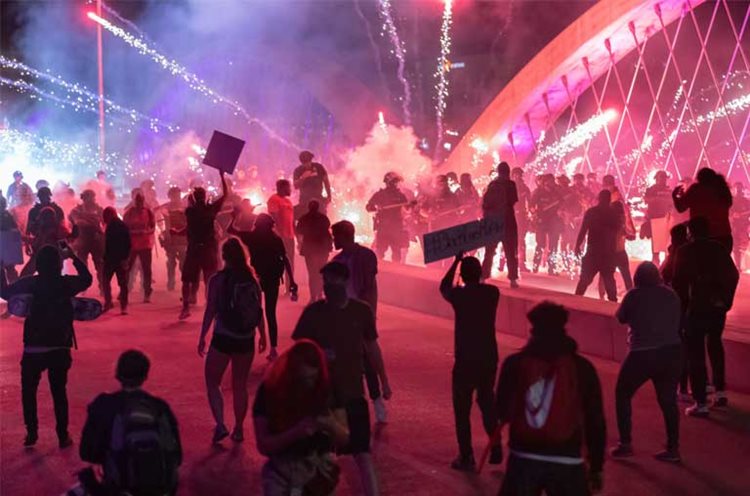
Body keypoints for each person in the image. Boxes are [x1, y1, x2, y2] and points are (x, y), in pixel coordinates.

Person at [293, 262, 391, 496]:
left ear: (345, 282)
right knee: (319, 459)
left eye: (333, 281)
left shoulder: (361, 311)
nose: (328, 286)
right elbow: (299, 353)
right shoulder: (313, 314)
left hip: (353, 397)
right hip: (323, 400)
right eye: (326, 282)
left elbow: (372, 348)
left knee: (362, 455)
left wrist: (384, 381)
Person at [495, 302, 605, 496]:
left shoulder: (515, 364)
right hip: (567, 459)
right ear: (564, 328)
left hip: (524, 457)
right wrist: (596, 466)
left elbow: (501, 410)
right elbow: (595, 420)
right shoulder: (582, 367)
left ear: (532, 329)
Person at [0, 244, 93, 448]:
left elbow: (5, 293)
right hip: (60, 344)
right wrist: (74, 256)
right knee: (59, 391)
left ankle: (31, 433)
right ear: (59, 264)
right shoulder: (65, 284)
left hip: (34, 345)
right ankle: (62, 435)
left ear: (38, 265)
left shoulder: (30, 283)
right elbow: (87, 279)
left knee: (29, 391)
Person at [78, 350, 181, 496]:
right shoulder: (159, 407)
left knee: (87, 480)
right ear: (145, 375)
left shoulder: (103, 405)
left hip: (119, 487)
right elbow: (177, 455)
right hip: (159, 488)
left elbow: (87, 452)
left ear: (117, 374)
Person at [253, 340, 349, 495]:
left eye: (313, 378)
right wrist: (295, 432)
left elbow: (345, 437)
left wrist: (330, 425)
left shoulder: (328, 388)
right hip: (281, 472)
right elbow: (263, 445)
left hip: (318, 470)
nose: (309, 385)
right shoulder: (270, 391)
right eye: (303, 380)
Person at [610, 262, 683, 463]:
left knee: (622, 393)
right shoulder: (671, 295)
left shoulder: (634, 295)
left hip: (641, 353)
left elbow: (621, 318)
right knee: (668, 401)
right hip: (671, 352)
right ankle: (673, 448)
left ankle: (625, 444)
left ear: (637, 279)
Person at [198, 238, 267, 443]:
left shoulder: (217, 280)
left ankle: (220, 424)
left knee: (213, 381)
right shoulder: (252, 279)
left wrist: (203, 336)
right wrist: (263, 335)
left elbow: (211, 310)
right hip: (245, 338)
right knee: (240, 385)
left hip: (223, 337)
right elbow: (258, 310)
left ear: (224, 256)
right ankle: (238, 428)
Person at [440, 254, 502, 471]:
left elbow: (444, 287)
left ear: (463, 276)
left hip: (465, 358)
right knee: (486, 402)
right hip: (488, 356)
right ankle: (496, 445)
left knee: (462, 409)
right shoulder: (492, 293)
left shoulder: (460, 296)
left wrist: (456, 261)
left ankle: (466, 456)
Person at [673, 217, 739, 416]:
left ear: (690, 233)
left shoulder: (684, 251)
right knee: (715, 346)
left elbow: (678, 282)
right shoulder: (718, 249)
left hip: (695, 308)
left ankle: (700, 401)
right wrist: (725, 301)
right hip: (717, 307)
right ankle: (719, 391)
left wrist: (682, 307)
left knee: (695, 353)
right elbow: (733, 275)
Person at [331, 221, 390, 423]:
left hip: (360, 314)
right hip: (343, 317)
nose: (333, 240)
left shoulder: (366, 256)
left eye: (335, 236)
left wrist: (369, 313)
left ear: (345, 235)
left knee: (367, 359)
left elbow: (370, 287)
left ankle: (378, 399)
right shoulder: (337, 260)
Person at [229, 213, 296, 361]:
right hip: (271, 278)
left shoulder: (252, 237)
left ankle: (249, 345)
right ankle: (272, 348)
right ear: (271, 225)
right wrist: (292, 281)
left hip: (255, 279)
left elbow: (230, 230)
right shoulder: (275, 239)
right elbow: (285, 260)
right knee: (270, 313)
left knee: (253, 311)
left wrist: (235, 216)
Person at [178, 171, 227, 320]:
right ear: (205, 197)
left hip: (194, 249)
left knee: (187, 280)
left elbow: (189, 223)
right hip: (208, 248)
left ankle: (186, 307)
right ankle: (211, 306)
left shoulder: (190, 211)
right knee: (210, 279)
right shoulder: (210, 209)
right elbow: (225, 195)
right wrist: (222, 176)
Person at [574, 190, 620, 302]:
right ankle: (613, 307)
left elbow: (583, 230)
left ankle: (575, 302)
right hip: (608, 251)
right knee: (609, 280)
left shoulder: (591, 212)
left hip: (593, 250)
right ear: (609, 199)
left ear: (599, 198)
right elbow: (617, 232)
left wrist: (577, 245)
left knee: (584, 280)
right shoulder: (613, 214)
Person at [672, 167, 733, 252]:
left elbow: (680, 208)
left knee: (704, 264)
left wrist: (675, 196)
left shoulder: (696, 189)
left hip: (702, 237)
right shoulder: (722, 189)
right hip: (724, 236)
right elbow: (729, 204)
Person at [481, 162, 520, 287]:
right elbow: (513, 200)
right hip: (508, 222)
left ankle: (483, 276)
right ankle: (513, 279)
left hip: (493, 223)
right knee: (510, 252)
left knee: (489, 251)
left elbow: (485, 203)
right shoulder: (511, 184)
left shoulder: (492, 184)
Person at [366, 172, 410, 263]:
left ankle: (396, 274)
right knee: (380, 252)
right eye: (394, 182)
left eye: (397, 182)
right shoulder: (380, 194)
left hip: (396, 227)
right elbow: (368, 207)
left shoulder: (400, 195)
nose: (396, 184)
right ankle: (378, 271)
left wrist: (411, 205)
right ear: (388, 182)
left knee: (397, 253)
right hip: (383, 227)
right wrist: (376, 207)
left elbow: (407, 208)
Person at [296, 200, 333, 302]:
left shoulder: (304, 219)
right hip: (322, 248)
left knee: (312, 273)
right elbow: (328, 231)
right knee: (321, 272)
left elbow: (299, 231)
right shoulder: (324, 218)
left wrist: (300, 244)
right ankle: (320, 294)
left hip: (310, 249)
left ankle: (313, 297)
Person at [69, 190, 105, 292]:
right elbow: (78, 222)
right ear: (84, 198)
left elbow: (104, 223)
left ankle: (102, 287)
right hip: (83, 239)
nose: (92, 199)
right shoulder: (77, 210)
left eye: (92, 197)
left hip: (96, 239)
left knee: (100, 265)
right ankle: (82, 287)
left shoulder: (99, 209)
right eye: (89, 197)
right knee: (82, 265)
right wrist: (93, 222)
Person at [20, 204, 70, 278]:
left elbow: (63, 244)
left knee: (25, 276)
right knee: (24, 275)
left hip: (52, 258)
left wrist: (64, 254)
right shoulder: (43, 229)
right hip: (40, 256)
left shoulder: (57, 230)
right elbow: (37, 242)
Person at [123, 193, 156, 303]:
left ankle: (147, 293)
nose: (139, 203)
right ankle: (124, 291)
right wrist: (134, 232)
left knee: (147, 270)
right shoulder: (128, 214)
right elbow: (124, 228)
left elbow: (152, 227)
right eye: (137, 201)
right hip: (131, 245)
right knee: (127, 269)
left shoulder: (148, 212)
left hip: (145, 245)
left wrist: (146, 232)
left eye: (141, 201)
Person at [267, 179, 296, 294]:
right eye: (288, 187)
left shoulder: (288, 201)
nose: (290, 190)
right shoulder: (273, 199)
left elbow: (291, 219)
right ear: (282, 188)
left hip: (289, 236)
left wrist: (295, 234)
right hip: (279, 237)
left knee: (290, 263)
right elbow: (274, 217)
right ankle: (272, 287)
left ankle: (290, 287)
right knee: (278, 263)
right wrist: (279, 233)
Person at [531, 174, 563, 275]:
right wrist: (534, 213)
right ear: (545, 182)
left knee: (553, 246)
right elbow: (531, 205)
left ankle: (552, 268)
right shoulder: (538, 192)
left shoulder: (556, 193)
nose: (552, 183)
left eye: (553, 181)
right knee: (540, 244)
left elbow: (562, 204)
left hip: (553, 222)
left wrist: (561, 211)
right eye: (550, 181)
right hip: (541, 221)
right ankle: (535, 265)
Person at [157, 187, 188, 291]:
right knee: (171, 261)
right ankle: (171, 282)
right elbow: (166, 221)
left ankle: (185, 283)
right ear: (170, 196)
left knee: (183, 262)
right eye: (174, 195)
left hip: (183, 238)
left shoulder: (185, 207)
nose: (176, 197)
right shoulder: (167, 207)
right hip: (172, 238)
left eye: (178, 195)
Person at [102, 207, 132, 315]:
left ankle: (109, 302)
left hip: (113, 259)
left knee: (106, 281)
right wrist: (126, 258)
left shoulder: (113, 226)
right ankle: (123, 306)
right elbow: (128, 243)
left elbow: (109, 244)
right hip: (119, 258)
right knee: (122, 283)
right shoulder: (122, 225)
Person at [642, 170, 673, 263]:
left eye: (664, 178)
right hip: (654, 219)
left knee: (667, 244)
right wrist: (656, 199)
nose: (663, 180)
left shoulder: (669, 190)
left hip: (666, 219)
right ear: (656, 179)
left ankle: (665, 263)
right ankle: (656, 263)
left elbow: (672, 203)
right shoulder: (651, 190)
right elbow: (646, 200)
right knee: (656, 246)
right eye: (661, 178)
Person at [293, 150, 332, 215]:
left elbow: (326, 181)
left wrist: (329, 196)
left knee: (321, 218)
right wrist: (303, 177)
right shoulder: (298, 170)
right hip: (304, 200)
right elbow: (295, 186)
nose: (307, 164)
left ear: (311, 160)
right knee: (306, 218)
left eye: (308, 162)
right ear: (301, 162)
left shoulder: (319, 167)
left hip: (318, 199)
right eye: (304, 163)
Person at [511, 167, 532, 272]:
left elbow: (530, 201)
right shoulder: (508, 186)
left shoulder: (524, 187)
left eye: (520, 174)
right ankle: (503, 262)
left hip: (521, 216)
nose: (518, 176)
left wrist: (531, 212)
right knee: (508, 239)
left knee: (521, 239)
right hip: (510, 215)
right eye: (516, 174)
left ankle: (521, 263)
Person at [0, 194, 20, 289]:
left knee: (10, 269)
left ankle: (15, 290)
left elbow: (15, 229)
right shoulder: (7, 215)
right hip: (6, 245)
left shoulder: (7, 215)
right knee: (9, 269)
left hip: (6, 245)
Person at [730, 182, 749, 271]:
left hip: (744, 227)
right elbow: (727, 211)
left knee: (743, 246)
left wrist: (743, 215)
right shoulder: (731, 201)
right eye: (737, 188)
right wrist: (733, 215)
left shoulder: (746, 201)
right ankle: (738, 265)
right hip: (735, 227)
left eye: (739, 188)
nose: (738, 190)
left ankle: (739, 264)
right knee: (737, 246)